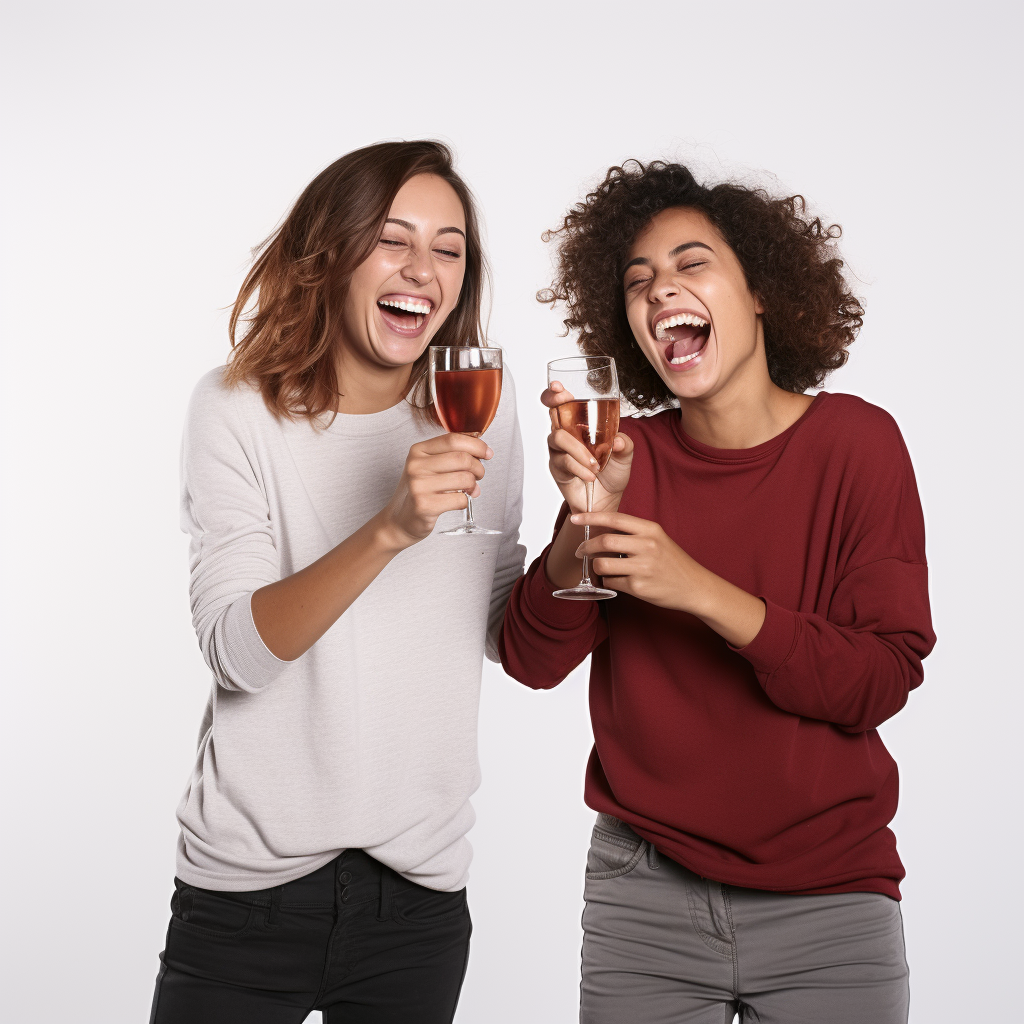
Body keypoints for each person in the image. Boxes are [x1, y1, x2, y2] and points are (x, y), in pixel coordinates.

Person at [500, 160, 935, 1024]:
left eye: (691, 264)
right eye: (638, 282)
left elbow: (876, 682)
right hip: (643, 900)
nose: (661, 291)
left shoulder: (858, 442)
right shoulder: (630, 458)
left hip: (831, 906)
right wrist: (585, 527)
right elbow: (529, 658)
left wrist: (699, 589)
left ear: (762, 291)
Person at [150, 140, 525, 1024]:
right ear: (332, 252)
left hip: (418, 900)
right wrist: (388, 529)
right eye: (393, 239)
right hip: (246, 898)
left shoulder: (480, 400)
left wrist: (587, 541)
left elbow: (507, 630)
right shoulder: (236, 408)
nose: (422, 270)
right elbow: (238, 651)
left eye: (449, 247)